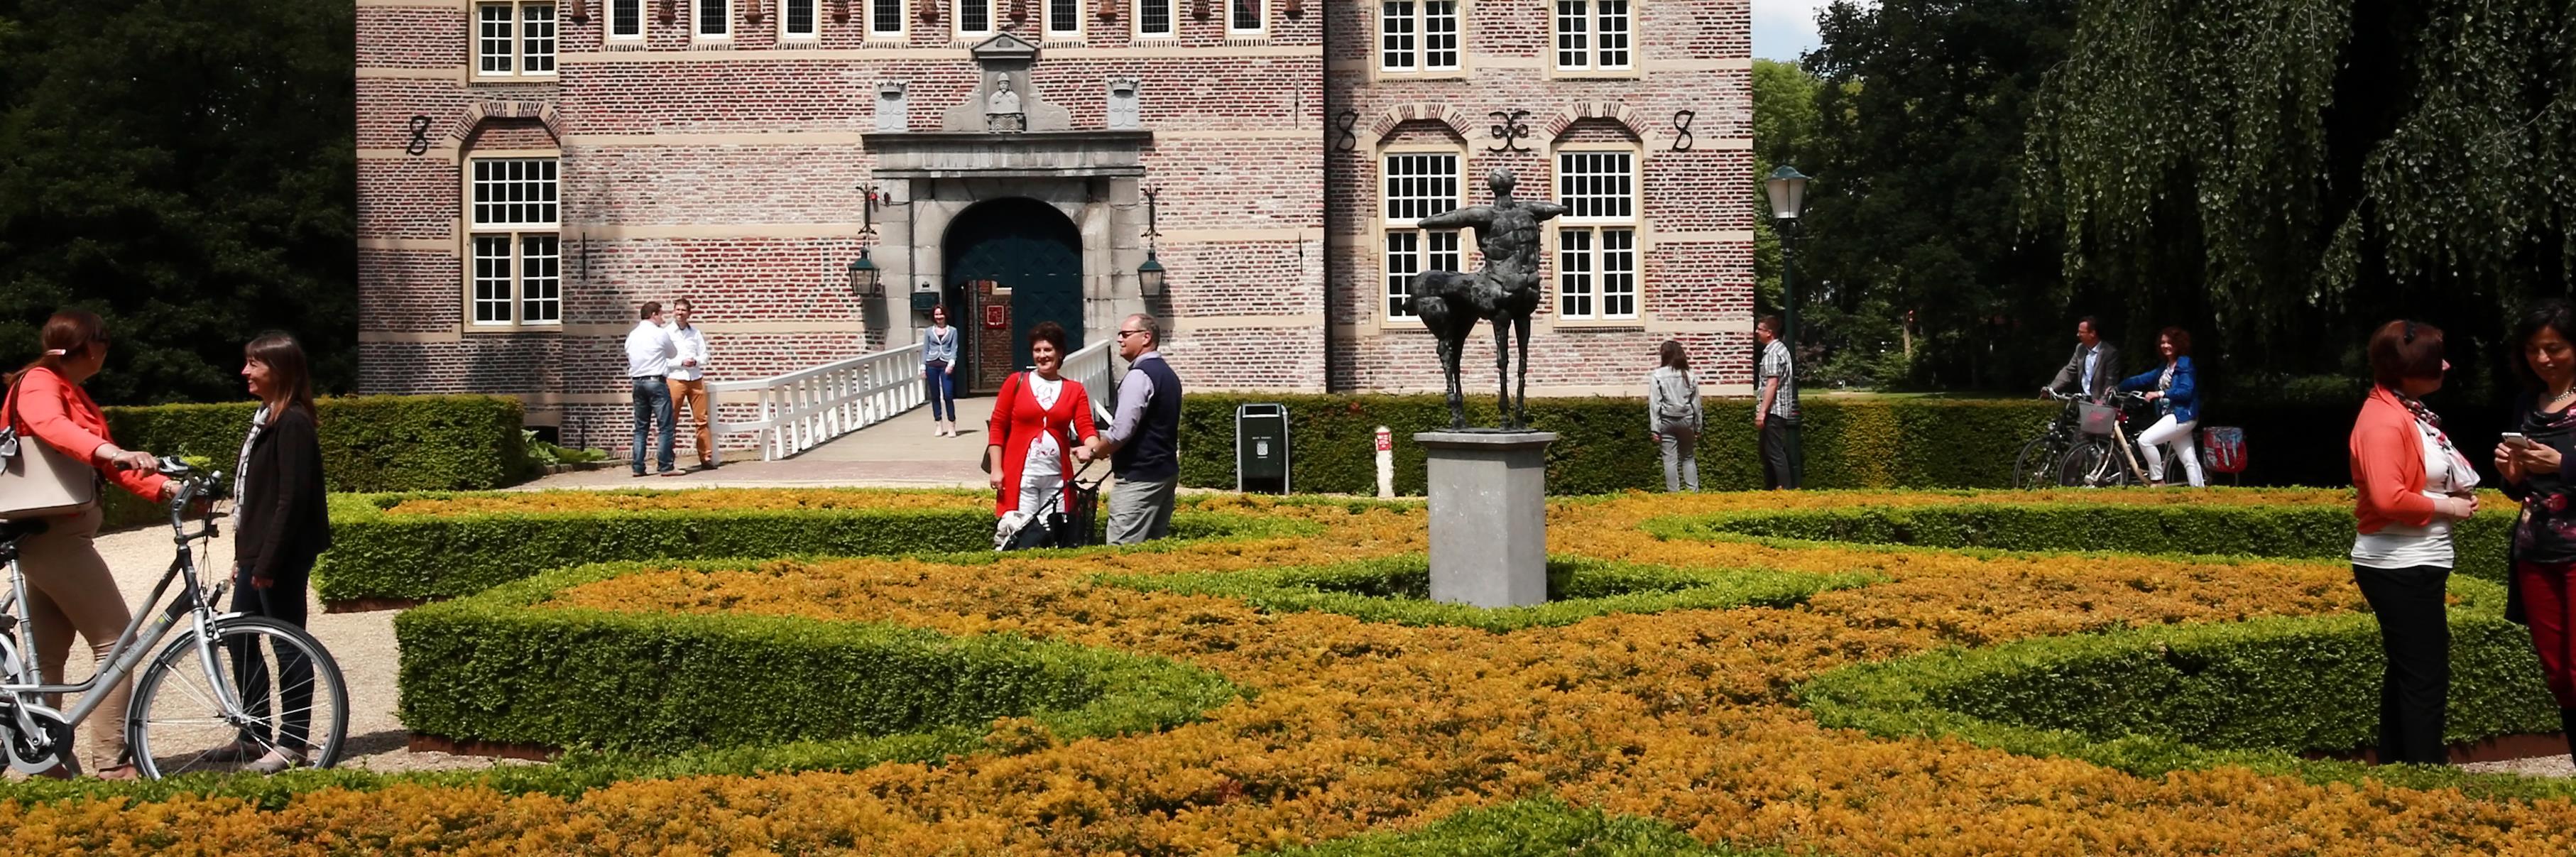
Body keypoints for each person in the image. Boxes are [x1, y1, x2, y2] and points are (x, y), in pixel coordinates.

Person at [1, 310, 173, 780]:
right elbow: (56, 429)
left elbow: (102, 463)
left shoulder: (68, 388)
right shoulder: (41, 382)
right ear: (91, 346)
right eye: (106, 342)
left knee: (49, 655)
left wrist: (163, 489)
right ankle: (112, 761)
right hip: (54, 535)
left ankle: (40, 760)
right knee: (117, 641)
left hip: (52, 534)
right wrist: (111, 450)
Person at [2348, 319, 2479, 765]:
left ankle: (2400, 769)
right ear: (2408, 370)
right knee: (2425, 678)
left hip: (2412, 559)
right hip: (2399, 561)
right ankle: (2423, 775)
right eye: (2434, 359)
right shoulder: (2385, 419)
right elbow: (2388, 498)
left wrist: (2448, 495)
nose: (2445, 364)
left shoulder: (2405, 409)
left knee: (2410, 673)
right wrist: (2449, 507)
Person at [202, 332, 331, 775]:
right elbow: (254, 497)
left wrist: (269, 561)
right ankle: (255, 735)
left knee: (288, 643)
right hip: (260, 551)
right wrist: (245, 555)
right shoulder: (266, 417)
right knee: (240, 639)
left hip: (282, 554)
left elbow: (291, 500)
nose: (245, 372)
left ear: (279, 370)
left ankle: (293, 743)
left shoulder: (291, 422)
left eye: (254, 364)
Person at [2493, 300, 2576, 765]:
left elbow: (2562, 470)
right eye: (2532, 350)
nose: (2543, 358)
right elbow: (2520, 490)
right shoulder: (2529, 402)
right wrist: (2514, 472)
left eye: (2555, 348)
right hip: (2535, 550)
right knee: (2559, 677)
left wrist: (2564, 463)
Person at [1079, 314, 1182, 544]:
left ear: (1146, 337)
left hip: (1140, 477)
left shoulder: (1139, 376)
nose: (1119, 340)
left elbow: (1121, 432)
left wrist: (1095, 451)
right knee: (1153, 548)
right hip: (1165, 472)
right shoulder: (1168, 374)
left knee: (1121, 550)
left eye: (1125, 334)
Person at [985, 322, 1099, 525]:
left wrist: (1091, 448)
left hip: (1056, 475)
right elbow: (998, 426)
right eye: (1037, 350)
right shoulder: (1015, 382)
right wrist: (996, 469)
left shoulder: (1075, 390)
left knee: (1053, 531)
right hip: (1022, 474)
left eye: (1048, 350)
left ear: (1060, 353)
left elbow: (1085, 427)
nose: (1042, 356)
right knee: (1022, 529)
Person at [2118, 327, 2204, 487]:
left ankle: (2158, 480)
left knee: (2145, 440)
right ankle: (2200, 496)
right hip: (2173, 416)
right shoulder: (2164, 367)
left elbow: (2186, 391)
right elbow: (2141, 379)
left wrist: (2160, 394)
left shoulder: (2185, 364)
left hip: (2182, 415)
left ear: (2178, 344)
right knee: (2189, 460)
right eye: (2163, 343)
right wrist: (2118, 387)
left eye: (2170, 343)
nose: (2165, 346)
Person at [625, 301, 679, 477]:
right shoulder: (659, 334)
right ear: (654, 314)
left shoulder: (632, 335)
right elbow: (673, 353)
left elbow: (628, 354)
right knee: (665, 426)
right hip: (656, 381)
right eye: (661, 315)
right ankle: (665, 466)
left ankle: (638, 467)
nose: (662, 318)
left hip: (637, 382)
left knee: (641, 427)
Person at [665, 298, 716, 470]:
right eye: (677, 310)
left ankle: (706, 457)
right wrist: (681, 362)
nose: (680, 313)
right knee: (671, 420)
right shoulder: (667, 333)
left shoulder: (695, 333)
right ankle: (668, 460)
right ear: (673, 312)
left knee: (702, 420)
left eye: (683, 310)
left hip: (695, 378)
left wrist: (695, 361)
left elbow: (705, 356)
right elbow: (663, 359)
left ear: (689, 313)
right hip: (676, 378)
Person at [1647, 340, 1702, 492]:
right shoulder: (1689, 375)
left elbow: (1654, 403)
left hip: (1667, 420)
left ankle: (1674, 494)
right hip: (1687, 419)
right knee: (1688, 457)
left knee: (1669, 459)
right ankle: (1693, 492)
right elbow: (1696, 404)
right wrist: (1698, 426)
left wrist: (1655, 428)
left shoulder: (1658, 375)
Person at [1754, 315, 1801, 490]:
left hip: (1774, 410)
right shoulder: (1782, 350)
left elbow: (1771, 384)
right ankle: (1778, 487)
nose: (1756, 332)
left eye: (1760, 329)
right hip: (1778, 409)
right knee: (1770, 450)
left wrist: (1762, 412)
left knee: (1774, 451)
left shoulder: (1773, 354)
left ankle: (1783, 488)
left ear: (1770, 333)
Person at [2043, 316, 2122, 401]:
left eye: (2081, 332)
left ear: (2092, 333)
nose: (2078, 335)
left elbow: (2110, 381)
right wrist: (2051, 388)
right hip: (2082, 400)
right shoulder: (2080, 348)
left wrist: (2102, 401)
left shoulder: (2110, 353)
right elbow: (2069, 371)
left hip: (2099, 403)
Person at [923, 305, 961, 437]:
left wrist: (951, 363)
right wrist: (923, 367)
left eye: (941, 314)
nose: (939, 317)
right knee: (935, 396)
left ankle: (952, 424)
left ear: (945, 315)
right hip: (932, 364)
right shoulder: (929, 331)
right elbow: (925, 349)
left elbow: (954, 348)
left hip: (946, 364)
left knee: (948, 395)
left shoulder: (953, 331)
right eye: (936, 315)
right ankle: (938, 424)